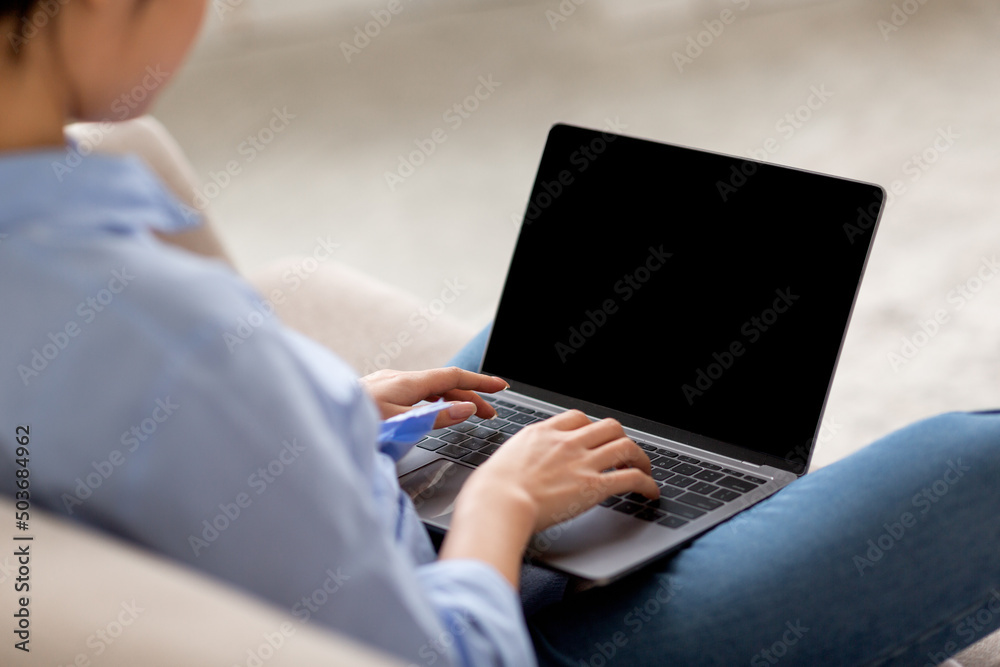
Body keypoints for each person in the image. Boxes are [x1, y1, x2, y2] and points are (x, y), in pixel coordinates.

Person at [0, 2, 997, 665]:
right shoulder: (171, 332)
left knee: (575, 356)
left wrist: (330, 414)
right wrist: (505, 506)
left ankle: (695, 500)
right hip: (474, 626)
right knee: (978, 461)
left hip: (341, 546)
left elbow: (146, 455)